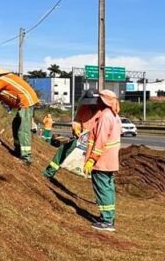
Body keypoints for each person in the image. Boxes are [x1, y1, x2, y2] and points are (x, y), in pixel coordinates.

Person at [84, 90, 121, 232]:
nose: (97, 102)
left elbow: (100, 140)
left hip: (102, 160)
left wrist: (91, 159)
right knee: (108, 188)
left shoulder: (105, 116)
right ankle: (108, 217)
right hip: (110, 160)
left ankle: (107, 221)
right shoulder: (114, 115)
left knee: (103, 189)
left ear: (104, 101)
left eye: (99, 99)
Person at [42, 90, 101, 180]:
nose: (91, 105)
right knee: (63, 150)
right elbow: (77, 121)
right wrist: (76, 128)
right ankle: (49, 172)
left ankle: (96, 179)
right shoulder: (83, 109)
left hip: (97, 141)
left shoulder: (103, 112)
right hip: (82, 139)